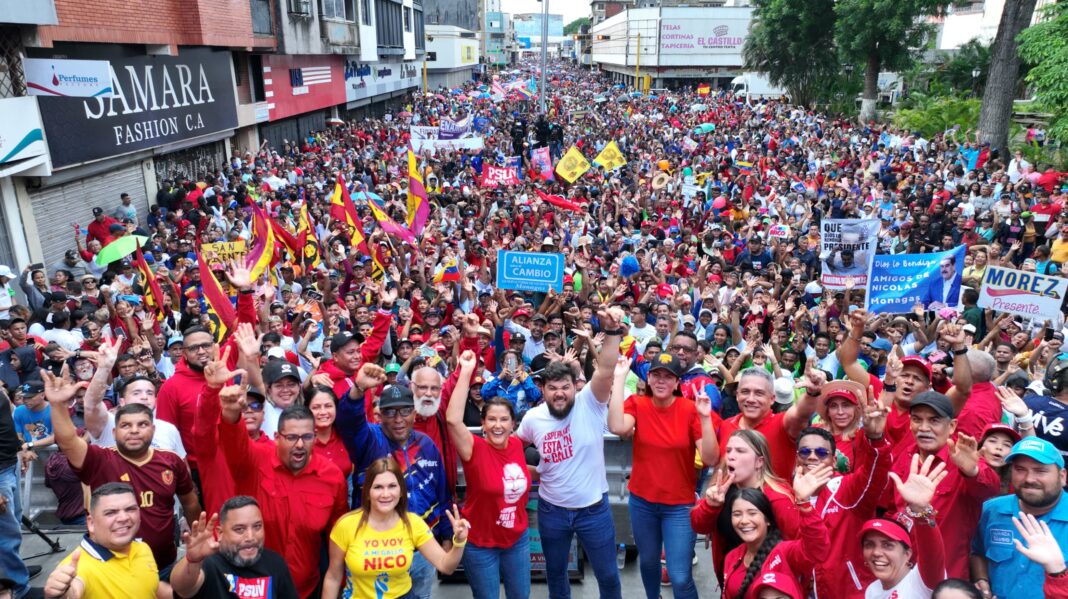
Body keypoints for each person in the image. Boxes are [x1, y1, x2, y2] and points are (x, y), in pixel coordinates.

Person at [212, 347, 348, 599]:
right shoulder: (254, 460)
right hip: (253, 587)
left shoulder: (332, 477)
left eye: (306, 437)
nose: (299, 444)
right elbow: (232, 439)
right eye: (291, 437)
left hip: (307, 589)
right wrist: (231, 411)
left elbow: (336, 539)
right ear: (277, 437)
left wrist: (336, 588)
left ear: (315, 437)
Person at [514, 306, 625, 599]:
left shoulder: (590, 402)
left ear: (575, 387)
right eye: (552, 388)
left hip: (594, 511)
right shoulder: (533, 418)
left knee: (608, 577)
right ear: (543, 390)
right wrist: (530, 472)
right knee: (556, 577)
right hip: (552, 511)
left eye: (565, 387)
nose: (559, 393)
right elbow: (512, 449)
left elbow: (605, 370)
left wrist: (612, 332)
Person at [45, 365, 200, 569]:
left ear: (153, 430)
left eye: (142, 425)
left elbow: (190, 503)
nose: (134, 431)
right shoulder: (100, 459)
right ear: (115, 431)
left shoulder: (171, 461)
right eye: (126, 426)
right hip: (112, 566)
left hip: (164, 564)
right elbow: (67, 442)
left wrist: (197, 534)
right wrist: (58, 406)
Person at [336, 364, 452, 599]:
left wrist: (447, 536)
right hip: (377, 552)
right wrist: (358, 390)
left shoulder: (427, 444)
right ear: (380, 414)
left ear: (414, 412)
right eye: (390, 412)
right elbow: (349, 422)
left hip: (422, 551)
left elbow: (442, 493)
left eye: (405, 411)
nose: (398, 419)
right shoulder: (369, 441)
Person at [607, 352, 718, 599]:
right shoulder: (637, 403)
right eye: (656, 375)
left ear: (677, 383)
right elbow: (617, 427)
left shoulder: (690, 409)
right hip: (642, 503)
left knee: (679, 576)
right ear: (648, 377)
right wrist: (618, 379)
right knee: (648, 564)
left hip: (679, 507)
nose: (661, 381)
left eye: (668, 377)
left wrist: (705, 418)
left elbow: (710, 458)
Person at [885, 390, 999, 579]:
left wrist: (972, 471)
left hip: (945, 578)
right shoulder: (903, 456)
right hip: (902, 573)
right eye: (916, 419)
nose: (924, 427)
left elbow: (990, 488)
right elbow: (892, 508)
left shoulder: (962, 458)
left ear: (952, 426)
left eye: (934, 420)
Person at [321, 457, 471, 599]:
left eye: (392, 486)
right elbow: (333, 577)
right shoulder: (346, 525)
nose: (385, 494)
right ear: (367, 492)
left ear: (401, 492)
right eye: (378, 487)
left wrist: (459, 541)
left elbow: (446, 566)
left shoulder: (413, 523)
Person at [446, 350, 531, 599]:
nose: (498, 425)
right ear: (482, 424)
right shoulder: (474, 448)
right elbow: (452, 420)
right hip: (480, 543)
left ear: (513, 424)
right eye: (491, 419)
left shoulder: (516, 445)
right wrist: (465, 371)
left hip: (517, 538)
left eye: (504, 419)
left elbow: (513, 476)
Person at [796, 383, 893, 598]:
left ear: (834, 458)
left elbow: (874, 474)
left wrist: (876, 439)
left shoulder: (847, 491)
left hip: (847, 590)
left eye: (821, 452)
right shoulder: (790, 495)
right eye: (805, 452)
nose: (812, 457)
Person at [971, 437, 1068, 599]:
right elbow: (977, 552)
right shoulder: (991, 510)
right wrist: (982, 580)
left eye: (1040, 470)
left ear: (1062, 476)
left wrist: (1058, 569)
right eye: (1020, 469)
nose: (1029, 479)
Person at [720, 466, 833, 598]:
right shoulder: (732, 557)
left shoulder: (785, 553)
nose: (744, 520)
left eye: (752, 513)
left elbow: (817, 549)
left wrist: (804, 503)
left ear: (767, 519)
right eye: (737, 514)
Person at [42, 482, 163, 598]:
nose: (123, 518)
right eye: (111, 513)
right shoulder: (76, 567)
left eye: (130, 509)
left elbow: (148, 588)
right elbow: (73, 590)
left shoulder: (142, 547)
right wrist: (63, 593)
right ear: (91, 523)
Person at [169, 497, 300, 599]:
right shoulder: (210, 564)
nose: (250, 537)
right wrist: (192, 560)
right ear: (220, 533)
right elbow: (182, 587)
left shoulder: (276, 563)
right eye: (239, 529)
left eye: (257, 526)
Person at [861, 455, 948, 599]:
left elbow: (932, 553)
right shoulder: (872, 591)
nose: (876, 552)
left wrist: (920, 510)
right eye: (869, 545)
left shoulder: (921, 581)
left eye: (887, 545)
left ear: (907, 554)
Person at [83, 338, 185, 457]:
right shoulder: (109, 423)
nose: (144, 397)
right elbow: (91, 405)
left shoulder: (168, 429)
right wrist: (104, 368)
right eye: (136, 393)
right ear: (122, 401)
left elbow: (182, 468)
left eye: (149, 393)